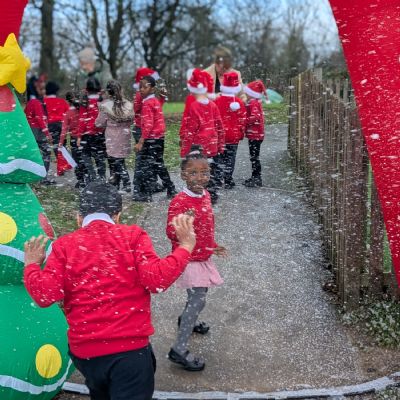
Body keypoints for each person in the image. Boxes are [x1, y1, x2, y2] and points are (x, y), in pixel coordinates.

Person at [23, 181, 196, 400]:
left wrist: (31, 265)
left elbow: (45, 295)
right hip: (129, 352)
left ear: (79, 217)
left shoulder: (64, 246)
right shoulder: (132, 236)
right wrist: (185, 247)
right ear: (117, 216)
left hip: (86, 354)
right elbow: (156, 280)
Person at [166, 146, 227, 371]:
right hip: (189, 258)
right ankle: (179, 349)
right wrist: (183, 223)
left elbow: (207, 226)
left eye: (204, 172)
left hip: (202, 255)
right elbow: (170, 232)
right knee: (198, 299)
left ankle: (186, 320)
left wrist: (212, 245)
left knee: (197, 296)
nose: (200, 177)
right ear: (183, 175)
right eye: (193, 173)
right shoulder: (180, 202)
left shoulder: (206, 195)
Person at [179, 69, 225, 204]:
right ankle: (212, 194)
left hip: (199, 146)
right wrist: (220, 145)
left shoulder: (194, 107)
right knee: (210, 170)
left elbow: (190, 131)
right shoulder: (213, 105)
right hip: (212, 145)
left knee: (198, 171)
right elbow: (220, 127)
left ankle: (200, 194)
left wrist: (185, 151)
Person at [133, 75, 177, 202]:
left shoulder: (147, 103)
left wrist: (141, 141)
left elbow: (148, 124)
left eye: (144, 87)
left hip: (151, 139)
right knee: (158, 164)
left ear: (152, 89)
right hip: (159, 138)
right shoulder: (155, 101)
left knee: (146, 165)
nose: (141, 89)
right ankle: (170, 188)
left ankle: (146, 194)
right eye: (140, 87)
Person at [132, 67, 168, 196]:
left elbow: (153, 113)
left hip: (149, 132)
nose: (142, 89)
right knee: (147, 160)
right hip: (144, 130)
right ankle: (142, 187)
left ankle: (147, 186)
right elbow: (139, 110)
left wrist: (161, 98)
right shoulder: (141, 96)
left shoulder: (149, 99)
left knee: (149, 160)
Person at [95, 80, 133, 193]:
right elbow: (131, 120)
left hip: (112, 136)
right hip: (125, 134)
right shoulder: (127, 104)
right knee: (119, 159)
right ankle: (115, 182)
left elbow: (99, 123)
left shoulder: (105, 105)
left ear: (108, 92)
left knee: (114, 160)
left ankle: (125, 182)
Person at [215, 71, 246, 189]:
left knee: (219, 157)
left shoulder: (216, 101)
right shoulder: (239, 103)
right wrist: (240, 134)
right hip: (233, 136)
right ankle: (228, 179)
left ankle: (218, 178)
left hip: (219, 135)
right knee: (230, 158)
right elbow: (242, 120)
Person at [24, 76, 55, 185]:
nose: (44, 92)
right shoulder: (37, 102)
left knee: (32, 154)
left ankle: (31, 176)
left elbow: (26, 115)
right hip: (38, 131)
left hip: (31, 130)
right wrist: (47, 133)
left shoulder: (30, 102)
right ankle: (43, 178)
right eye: (42, 89)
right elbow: (40, 118)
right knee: (46, 153)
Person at [78, 77, 107, 182]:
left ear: (87, 89)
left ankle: (92, 176)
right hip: (100, 133)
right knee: (100, 156)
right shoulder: (102, 101)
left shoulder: (85, 102)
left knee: (85, 156)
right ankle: (102, 178)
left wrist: (79, 136)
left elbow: (82, 120)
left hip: (87, 134)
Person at [59, 90, 87, 189]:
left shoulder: (68, 114)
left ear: (68, 101)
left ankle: (81, 180)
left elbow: (64, 130)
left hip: (74, 139)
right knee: (86, 158)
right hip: (85, 137)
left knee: (77, 160)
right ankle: (88, 178)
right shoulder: (84, 110)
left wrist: (61, 143)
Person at [242, 80, 267, 187]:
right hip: (256, 135)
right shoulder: (254, 102)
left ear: (251, 93)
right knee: (254, 157)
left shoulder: (253, 102)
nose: (245, 94)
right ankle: (255, 177)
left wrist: (244, 121)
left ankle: (257, 178)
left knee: (254, 157)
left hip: (255, 135)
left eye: (247, 92)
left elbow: (255, 117)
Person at [44, 81, 69, 158]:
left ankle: (50, 160)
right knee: (61, 145)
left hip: (48, 125)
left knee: (50, 146)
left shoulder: (43, 102)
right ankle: (62, 160)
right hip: (60, 125)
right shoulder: (62, 101)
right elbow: (67, 114)